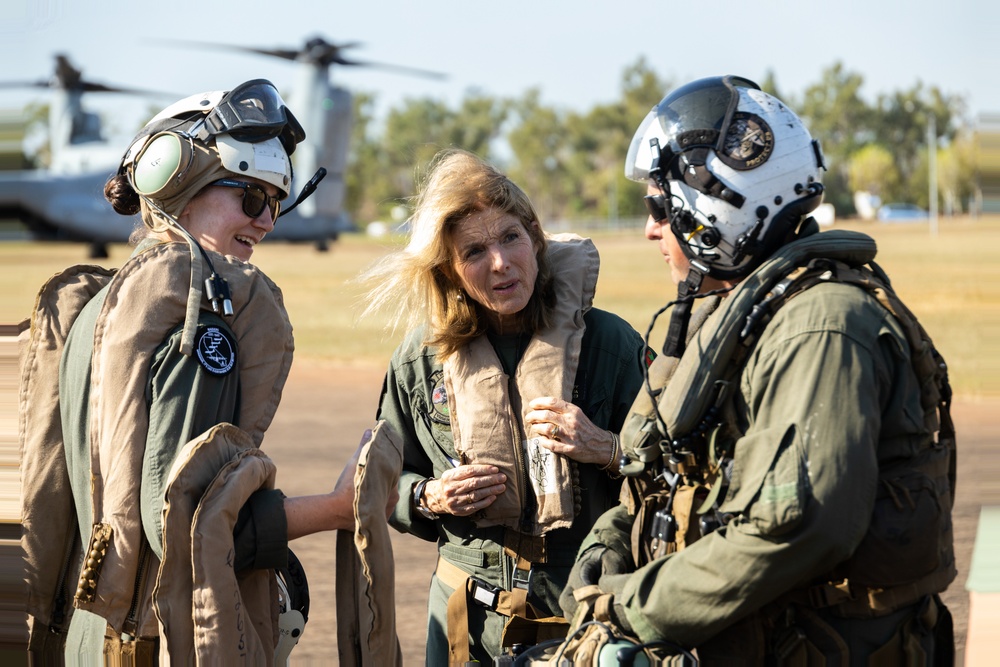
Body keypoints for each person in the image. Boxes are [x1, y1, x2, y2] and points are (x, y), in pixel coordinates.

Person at [558, 75, 957, 664]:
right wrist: (613, 543)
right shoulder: (733, 313)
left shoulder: (822, 326)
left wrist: (626, 610)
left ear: (715, 206)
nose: (650, 229)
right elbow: (675, 467)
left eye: (659, 207)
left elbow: (795, 527)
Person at [19, 79, 374, 664]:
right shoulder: (190, 317)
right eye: (251, 197)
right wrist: (337, 507)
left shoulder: (100, 309)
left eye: (275, 204)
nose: (265, 222)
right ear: (178, 182)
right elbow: (181, 524)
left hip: (90, 633)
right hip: (153, 638)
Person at [359, 149, 650, 664]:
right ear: (450, 271)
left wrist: (603, 447)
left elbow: (670, 475)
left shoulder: (611, 344)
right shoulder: (419, 360)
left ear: (535, 237)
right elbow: (381, 480)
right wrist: (429, 496)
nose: (499, 263)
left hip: (581, 624)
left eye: (510, 237)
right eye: (473, 251)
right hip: (463, 628)